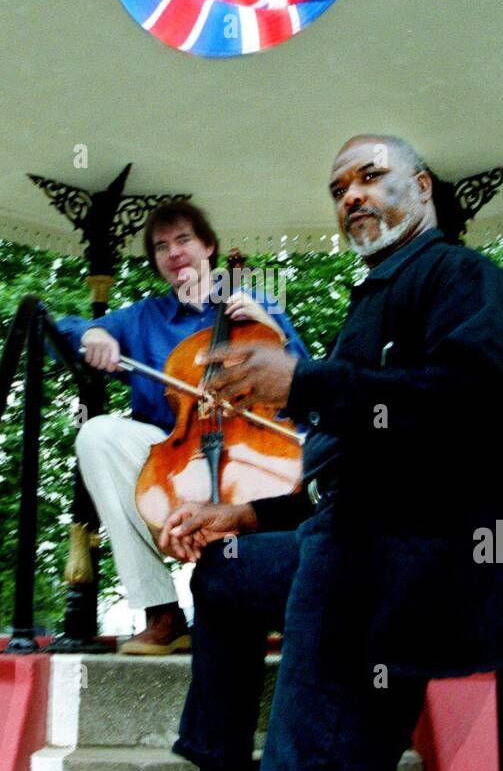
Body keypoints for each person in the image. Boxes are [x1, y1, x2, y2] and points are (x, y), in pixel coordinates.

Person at [91, 135, 503, 771]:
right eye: (339, 185)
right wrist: (248, 515)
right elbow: (357, 464)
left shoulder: (460, 277)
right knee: (228, 570)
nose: (352, 194)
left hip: (391, 575)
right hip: (343, 541)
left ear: (421, 188)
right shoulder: (376, 298)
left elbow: (476, 403)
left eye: (371, 176)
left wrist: (304, 381)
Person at [55, 200, 311, 655]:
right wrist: (91, 335)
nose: (173, 252)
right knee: (97, 435)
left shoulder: (254, 303)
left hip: (248, 447)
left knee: (311, 457)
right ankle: (162, 612)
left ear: (208, 246)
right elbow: (62, 330)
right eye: (160, 246)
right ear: (155, 262)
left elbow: (309, 383)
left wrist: (271, 325)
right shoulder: (142, 318)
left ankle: (286, 599)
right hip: (175, 458)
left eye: (183, 240)